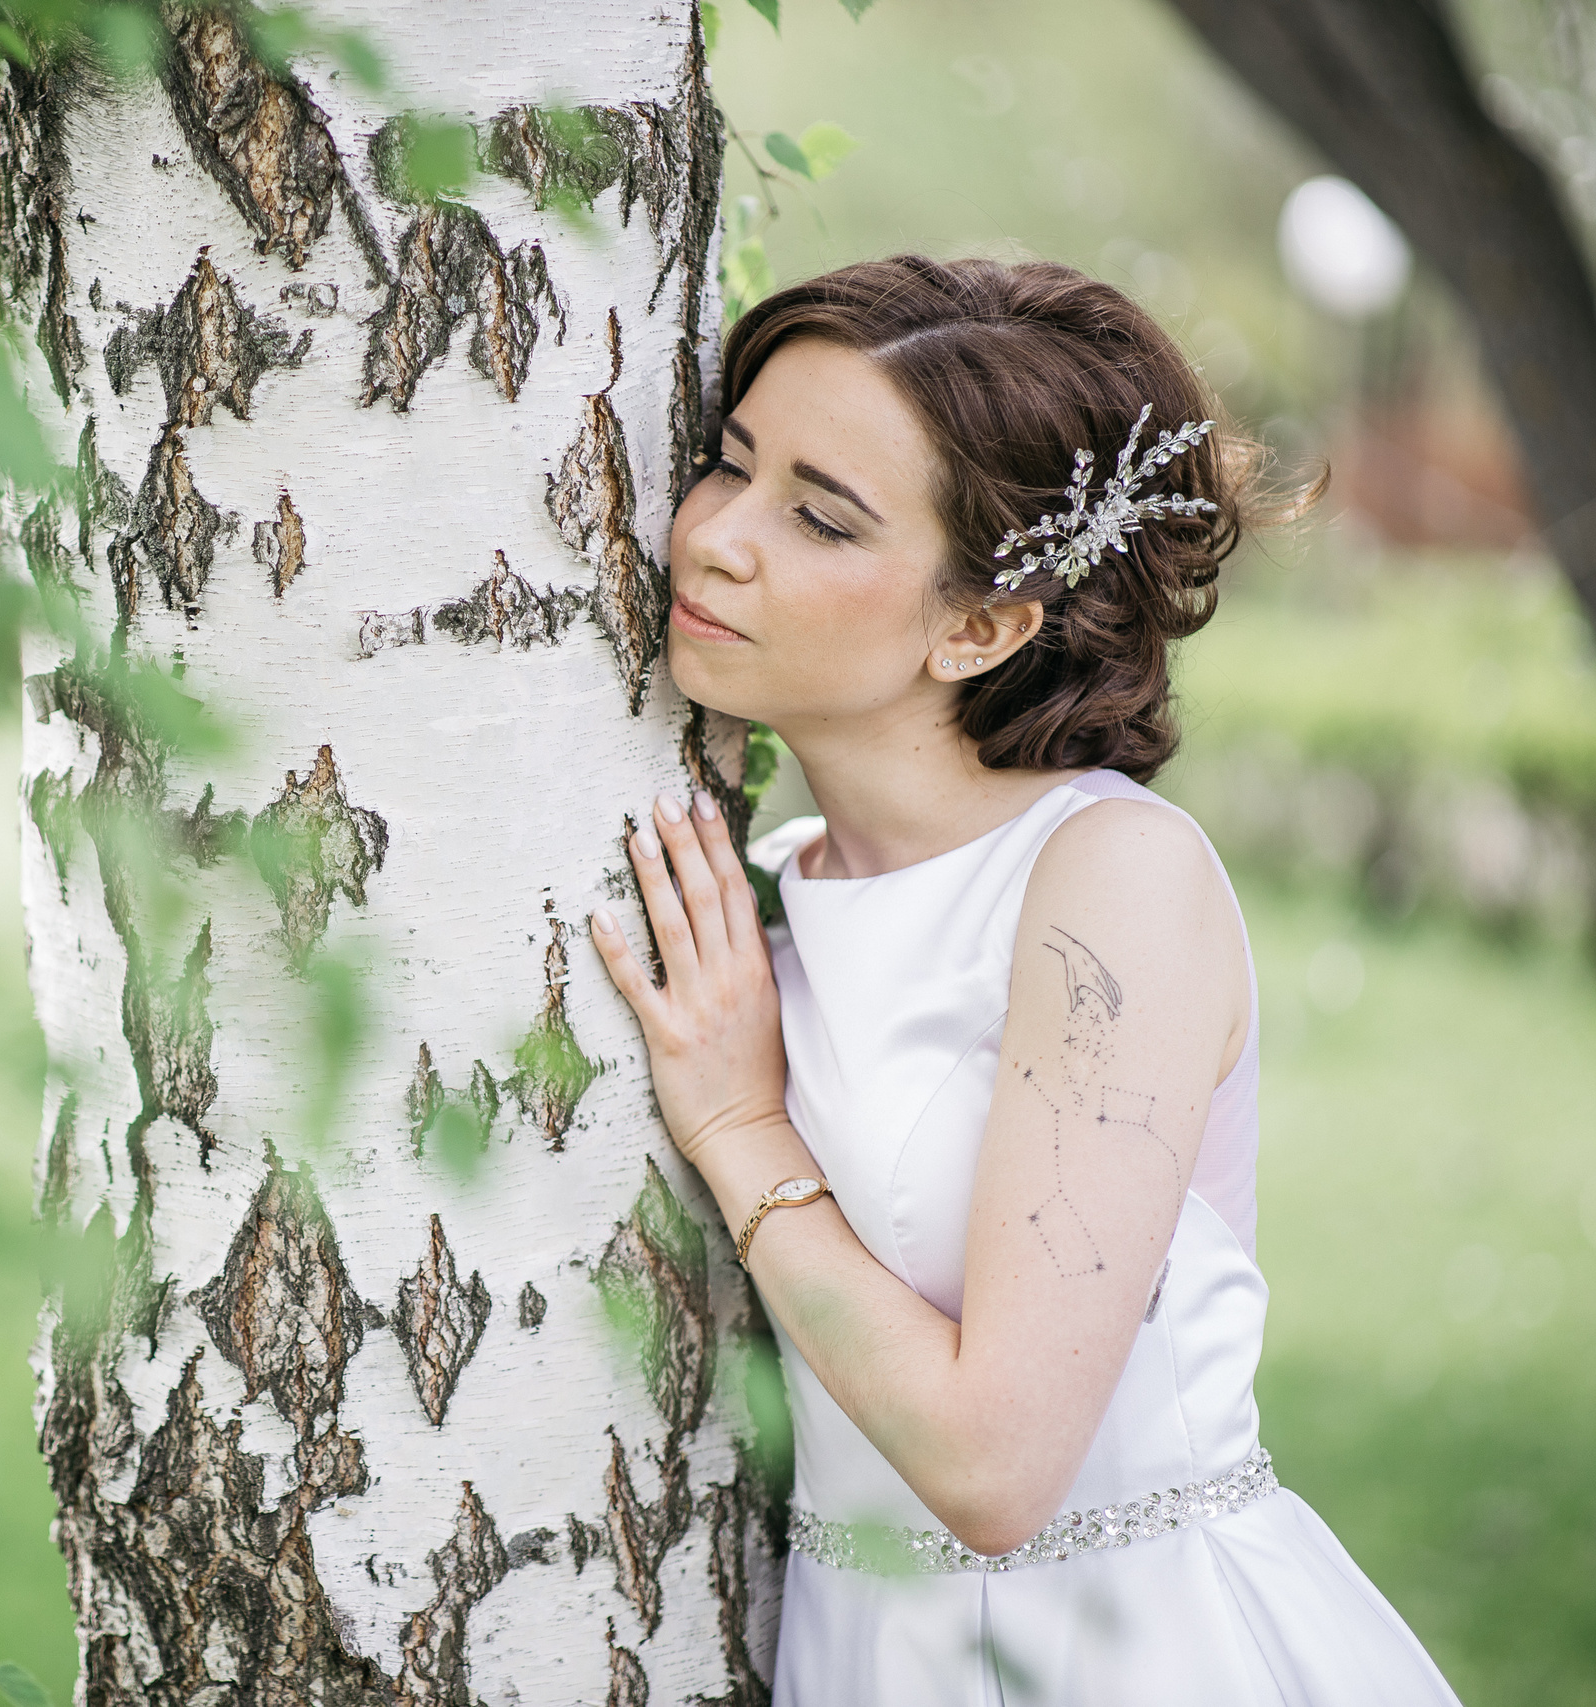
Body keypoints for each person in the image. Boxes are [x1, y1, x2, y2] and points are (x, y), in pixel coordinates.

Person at [587, 255, 1459, 1705]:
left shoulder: (1114, 882)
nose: (715, 540)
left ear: (980, 626)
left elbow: (996, 1468)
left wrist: (741, 1131)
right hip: (858, 1657)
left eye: (820, 516)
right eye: (729, 466)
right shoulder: (771, 896)